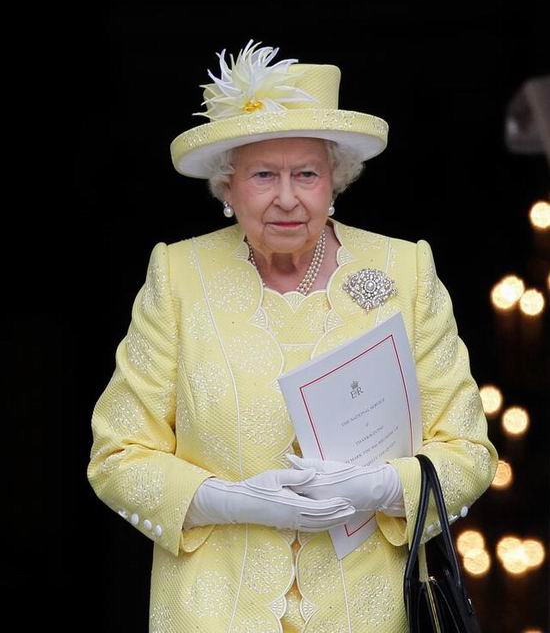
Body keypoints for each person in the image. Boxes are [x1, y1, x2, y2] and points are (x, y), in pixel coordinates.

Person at [86, 38, 498, 633]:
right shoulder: (178, 276)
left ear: (336, 181)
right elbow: (118, 456)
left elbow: (469, 452)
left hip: (365, 614)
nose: (287, 198)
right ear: (228, 187)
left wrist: (380, 487)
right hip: (214, 613)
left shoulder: (405, 271)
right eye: (263, 175)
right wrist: (233, 502)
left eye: (306, 173)